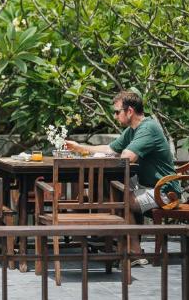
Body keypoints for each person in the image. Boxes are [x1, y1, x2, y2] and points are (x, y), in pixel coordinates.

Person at [65, 90, 180, 262]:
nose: (116, 115)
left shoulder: (148, 128)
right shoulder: (132, 130)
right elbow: (110, 149)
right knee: (101, 192)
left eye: (117, 112)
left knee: (119, 199)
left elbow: (127, 157)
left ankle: (134, 252)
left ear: (130, 111)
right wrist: (79, 148)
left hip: (164, 191)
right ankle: (107, 241)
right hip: (145, 186)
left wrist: (110, 155)